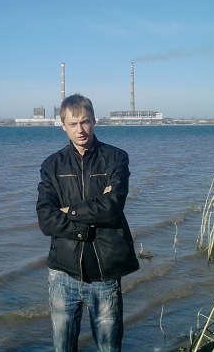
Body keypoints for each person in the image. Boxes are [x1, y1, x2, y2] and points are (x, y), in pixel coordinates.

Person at [36, 93, 140, 352]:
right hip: (62, 271)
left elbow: (112, 207)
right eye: (73, 124)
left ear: (94, 120)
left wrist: (68, 210)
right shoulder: (52, 165)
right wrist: (86, 224)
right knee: (63, 347)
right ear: (63, 126)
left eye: (84, 121)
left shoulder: (116, 158)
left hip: (104, 273)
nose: (80, 130)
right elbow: (46, 219)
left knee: (108, 346)